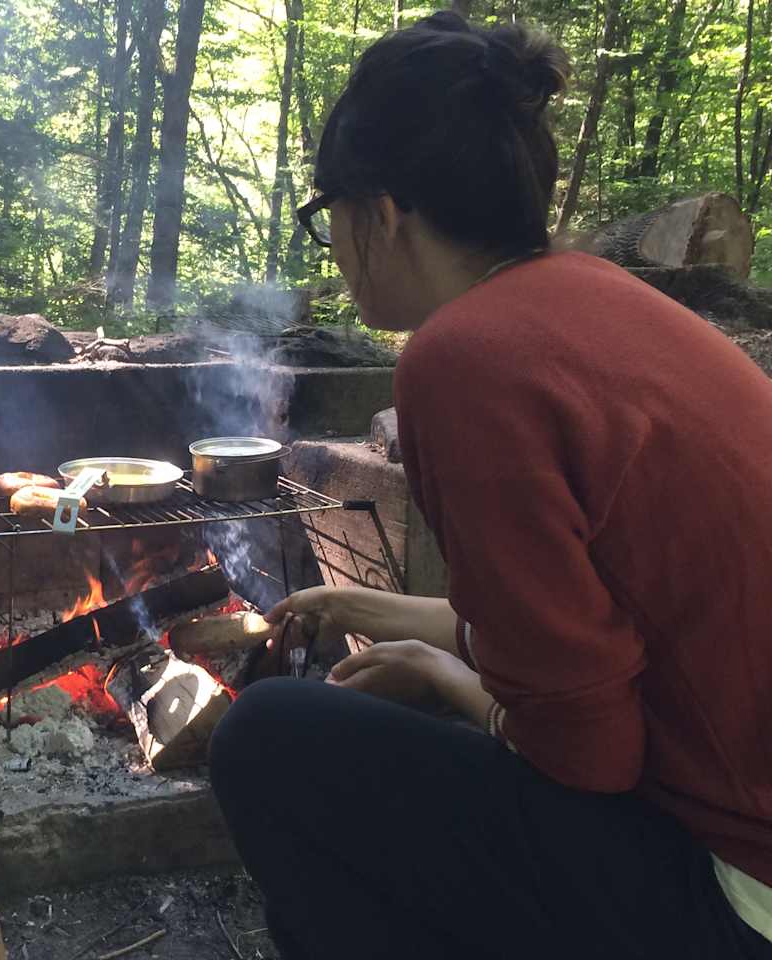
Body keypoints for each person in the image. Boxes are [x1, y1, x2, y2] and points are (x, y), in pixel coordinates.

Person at [209, 12, 772, 960]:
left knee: (267, 742)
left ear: (381, 214)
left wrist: (446, 677)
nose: (334, 246)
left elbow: (586, 758)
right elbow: (613, 621)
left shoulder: (466, 359)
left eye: (327, 216)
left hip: (735, 894)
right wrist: (406, 614)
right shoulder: (597, 297)